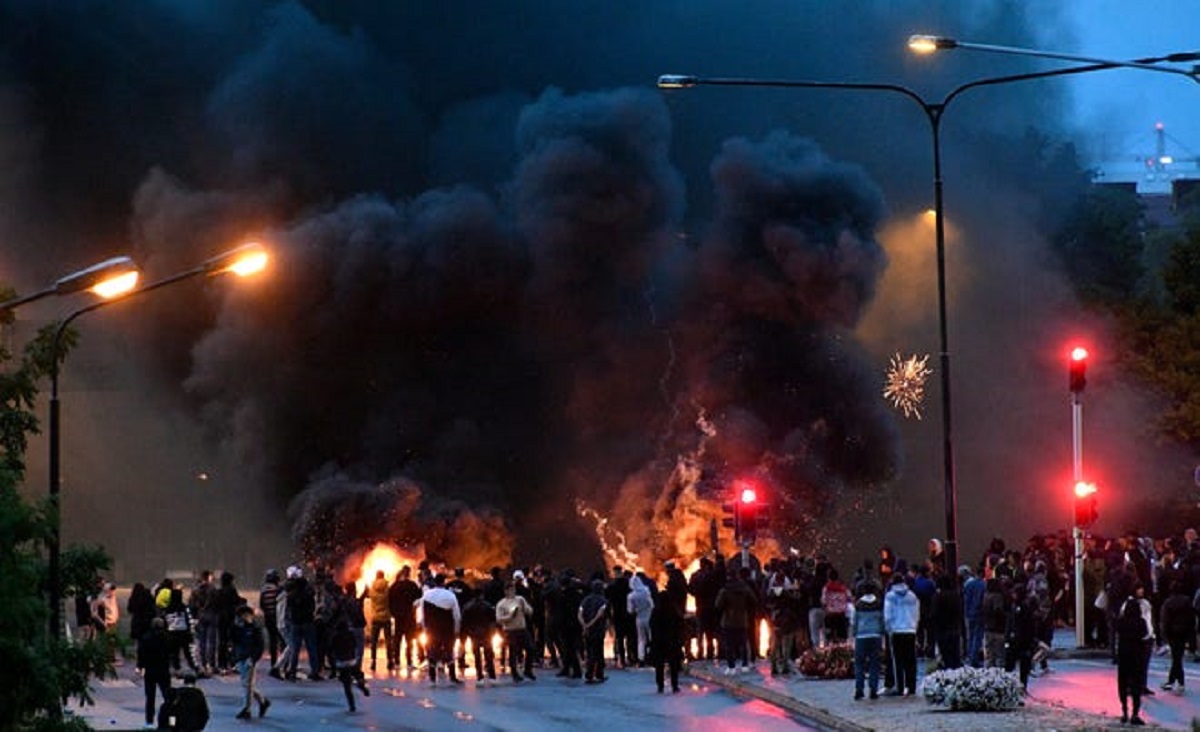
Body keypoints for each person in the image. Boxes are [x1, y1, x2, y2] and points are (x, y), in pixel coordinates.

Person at [330, 584, 370, 712]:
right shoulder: (357, 601)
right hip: (351, 657)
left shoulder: (343, 601)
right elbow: (362, 599)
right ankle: (360, 681)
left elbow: (332, 648)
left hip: (341, 662)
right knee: (359, 652)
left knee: (346, 685)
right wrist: (365, 591)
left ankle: (351, 705)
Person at [421, 574, 462, 685]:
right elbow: (456, 615)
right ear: (444, 582)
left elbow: (423, 615)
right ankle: (452, 677)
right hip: (447, 628)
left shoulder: (426, 595)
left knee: (432, 651)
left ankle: (432, 678)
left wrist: (424, 628)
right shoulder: (450, 595)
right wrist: (456, 630)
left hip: (432, 629)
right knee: (449, 651)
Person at [230, 604, 270, 720]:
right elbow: (233, 641)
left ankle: (247, 709)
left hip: (249, 658)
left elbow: (260, 646)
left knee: (247, 684)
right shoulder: (236, 628)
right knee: (246, 684)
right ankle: (262, 701)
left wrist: (253, 658)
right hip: (240, 657)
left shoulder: (255, 628)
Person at [883, 572, 919, 696]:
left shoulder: (890, 596)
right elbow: (916, 614)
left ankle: (900, 687)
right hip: (910, 630)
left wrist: (889, 630)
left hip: (896, 631)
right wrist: (914, 627)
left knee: (897, 661)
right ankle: (912, 686)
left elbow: (887, 616)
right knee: (911, 660)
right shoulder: (912, 596)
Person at [715, 567, 756, 674]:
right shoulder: (745, 588)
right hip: (742, 620)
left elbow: (718, 605)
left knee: (729, 645)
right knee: (743, 643)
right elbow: (753, 600)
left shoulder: (725, 590)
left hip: (728, 621)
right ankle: (745, 665)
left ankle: (731, 667)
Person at [1117, 591, 1149, 725]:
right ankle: (1135, 714)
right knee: (1136, 685)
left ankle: (1124, 711)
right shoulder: (1141, 622)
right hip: (1137, 655)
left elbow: (1117, 632)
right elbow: (1145, 635)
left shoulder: (1121, 622)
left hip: (1123, 655)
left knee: (1123, 684)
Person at [496, 579, 536, 682]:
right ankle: (514, 673)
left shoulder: (520, 599)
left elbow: (530, 611)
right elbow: (499, 619)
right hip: (510, 631)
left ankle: (528, 669)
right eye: (510, 589)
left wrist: (525, 608)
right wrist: (509, 616)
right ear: (505, 591)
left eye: (513, 589)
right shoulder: (501, 604)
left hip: (522, 629)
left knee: (530, 648)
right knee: (513, 652)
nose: (512, 591)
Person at [137, 616, 173, 729]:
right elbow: (171, 653)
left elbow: (141, 654)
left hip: (150, 671)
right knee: (169, 699)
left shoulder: (146, 638)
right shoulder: (167, 638)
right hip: (163, 671)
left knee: (150, 698)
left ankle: (149, 722)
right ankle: (172, 722)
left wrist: (140, 666)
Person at [851, 579, 884, 700]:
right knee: (874, 664)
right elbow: (882, 620)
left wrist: (854, 634)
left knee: (859, 663)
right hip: (875, 635)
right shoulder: (878, 603)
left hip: (861, 636)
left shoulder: (859, 604)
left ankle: (859, 689)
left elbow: (855, 621)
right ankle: (873, 689)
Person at [1160, 580, 1194, 693]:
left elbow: (1165, 620)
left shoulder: (1168, 602)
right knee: (1177, 657)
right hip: (1184, 632)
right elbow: (1191, 618)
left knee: (1176, 658)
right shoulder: (1187, 601)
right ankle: (1172, 681)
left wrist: (1164, 635)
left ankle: (1179, 682)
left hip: (1172, 633)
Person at [648, 592, 686, 693]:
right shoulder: (674, 610)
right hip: (672, 641)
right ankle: (675, 685)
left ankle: (660, 686)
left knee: (659, 665)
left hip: (659, 642)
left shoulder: (656, 611)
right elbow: (681, 624)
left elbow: (651, 625)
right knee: (673, 664)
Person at [388, 566, 423, 672]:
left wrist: (393, 614)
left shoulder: (394, 586)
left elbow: (389, 601)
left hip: (398, 617)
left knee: (397, 639)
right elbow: (419, 596)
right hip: (409, 616)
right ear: (409, 574)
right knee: (409, 640)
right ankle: (409, 661)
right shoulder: (412, 585)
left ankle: (397, 661)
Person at [461, 592, 498, 685]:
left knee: (477, 655)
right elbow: (493, 620)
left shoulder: (468, 606)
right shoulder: (487, 605)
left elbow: (464, 622)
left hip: (474, 634)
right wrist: (493, 632)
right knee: (488, 654)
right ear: (482, 595)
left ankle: (479, 676)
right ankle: (492, 675)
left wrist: (466, 634)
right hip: (486, 633)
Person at [930, 574, 963, 669]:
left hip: (942, 630)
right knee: (955, 654)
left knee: (946, 655)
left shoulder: (938, 596)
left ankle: (948, 673)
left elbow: (934, 614)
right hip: (954, 628)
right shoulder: (956, 595)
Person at [579, 579, 610, 683]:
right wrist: (591, 624)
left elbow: (579, 613)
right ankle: (598, 674)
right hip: (598, 630)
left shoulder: (586, 599)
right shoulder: (603, 600)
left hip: (587, 631)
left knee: (589, 651)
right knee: (598, 652)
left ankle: (589, 674)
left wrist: (584, 625)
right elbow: (600, 614)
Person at [164, 587, 199, 675]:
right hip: (183, 632)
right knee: (188, 652)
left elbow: (166, 621)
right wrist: (191, 630)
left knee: (175, 652)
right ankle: (194, 667)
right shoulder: (184, 607)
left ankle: (177, 669)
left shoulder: (168, 608)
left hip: (172, 632)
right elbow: (188, 619)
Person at [365, 570, 393, 672]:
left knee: (374, 641)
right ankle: (390, 660)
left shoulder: (372, 589)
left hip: (375, 618)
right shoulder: (388, 589)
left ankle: (373, 661)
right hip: (386, 617)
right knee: (388, 640)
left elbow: (368, 596)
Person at [960, 565, 986, 667]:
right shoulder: (983, 585)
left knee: (969, 637)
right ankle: (974, 659)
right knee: (977, 637)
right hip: (979, 614)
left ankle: (970, 656)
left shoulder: (968, 585)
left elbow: (964, 598)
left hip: (968, 613)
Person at [626, 574, 654, 667]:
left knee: (641, 640)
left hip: (639, 618)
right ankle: (652, 657)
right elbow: (652, 604)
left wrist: (637, 609)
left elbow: (630, 611)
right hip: (649, 617)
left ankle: (641, 659)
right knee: (651, 638)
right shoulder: (646, 591)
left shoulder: (631, 596)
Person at [259, 569, 283, 671]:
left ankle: (273, 662)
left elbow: (262, 605)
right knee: (282, 640)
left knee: (272, 640)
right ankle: (282, 662)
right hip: (278, 617)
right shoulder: (278, 589)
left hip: (268, 617)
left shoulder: (264, 590)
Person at [821, 569, 851, 643]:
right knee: (842, 639)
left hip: (830, 616)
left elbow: (823, 601)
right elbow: (849, 597)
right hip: (841, 615)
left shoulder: (826, 588)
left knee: (830, 639)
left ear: (829, 577)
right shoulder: (843, 588)